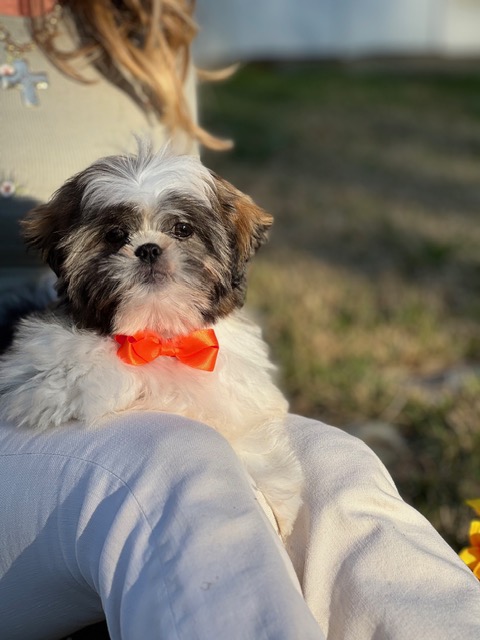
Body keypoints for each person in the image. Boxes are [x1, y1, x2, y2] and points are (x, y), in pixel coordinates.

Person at [1, 2, 480, 639]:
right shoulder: (52, 347)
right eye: (117, 236)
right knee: (179, 462)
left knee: (336, 467)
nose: (149, 249)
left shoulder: (138, 29)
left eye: (177, 231)